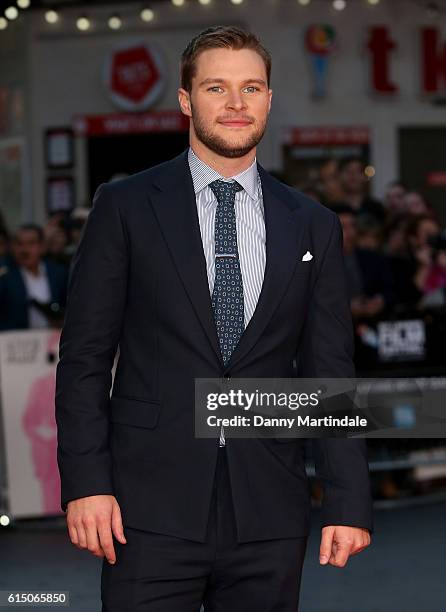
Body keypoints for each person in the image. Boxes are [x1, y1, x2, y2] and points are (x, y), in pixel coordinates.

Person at [55, 26, 372, 612]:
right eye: (216, 87)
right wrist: (87, 484)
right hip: (144, 509)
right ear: (185, 100)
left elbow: (330, 371)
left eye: (251, 87)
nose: (235, 103)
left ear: (270, 99)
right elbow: (84, 360)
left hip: (269, 508)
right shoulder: (125, 207)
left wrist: (347, 500)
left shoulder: (312, 223)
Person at [0, 223, 67, 330]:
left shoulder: (58, 273)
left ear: (42, 247)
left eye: (31, 243)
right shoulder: (4, 274)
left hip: (52, 340)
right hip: (14, 342)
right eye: (19, 244)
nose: (24, 250)